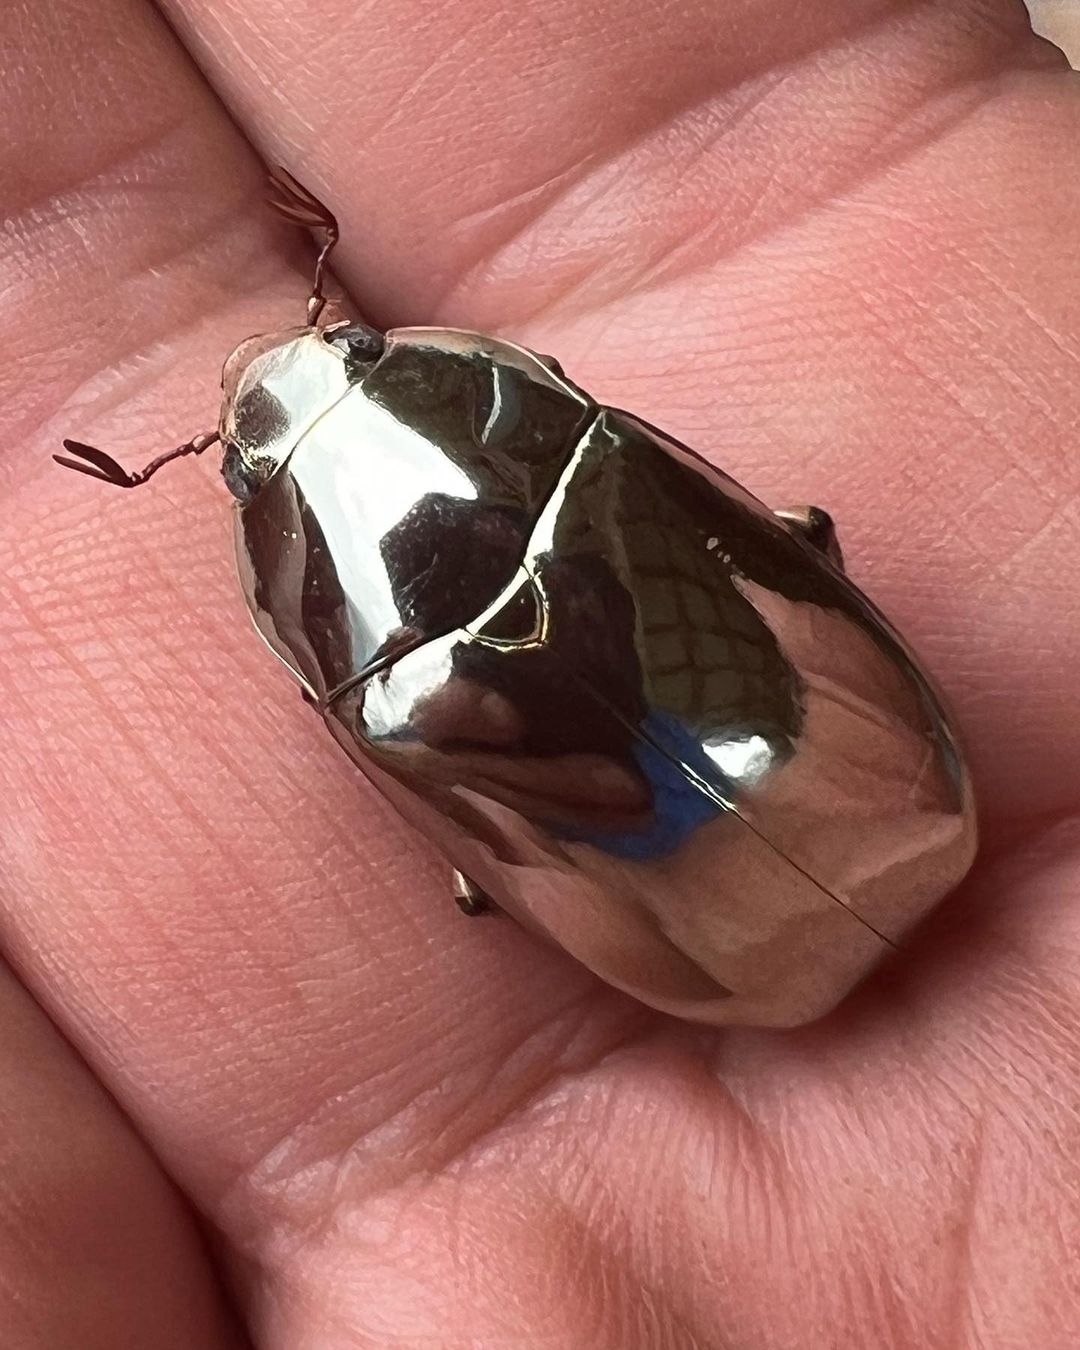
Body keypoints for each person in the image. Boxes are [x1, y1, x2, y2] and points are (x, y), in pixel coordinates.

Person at [2, 1, 1078, 1345]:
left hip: (734, 938)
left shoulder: (371, 683)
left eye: (352, 353)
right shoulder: (578, 447)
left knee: (488, 853)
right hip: (878, 780)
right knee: (785, 541)